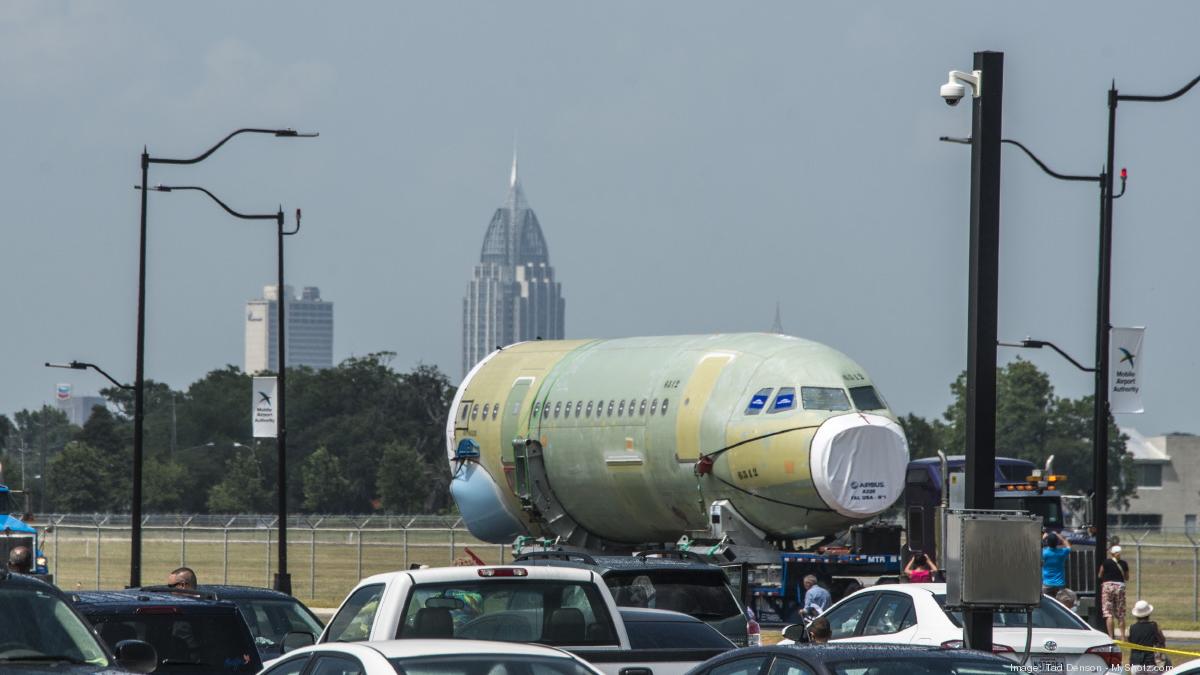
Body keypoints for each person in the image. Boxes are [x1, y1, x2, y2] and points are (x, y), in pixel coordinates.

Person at [1097, 545, 1130, 640]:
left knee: (1108, 613)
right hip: (1119, 586)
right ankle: (1123, 637)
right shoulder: (1124, 563)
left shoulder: (1106, 562)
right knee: (1120, 614)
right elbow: (1127, 577)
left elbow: (1100, 574)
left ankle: (1111, 636)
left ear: (1111, 553)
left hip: (1108, 586)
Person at [1127, 600, 1166, 673]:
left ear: (1136, 615)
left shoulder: (1131, 628)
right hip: (1151, 663)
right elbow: (1162, 640)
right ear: (1148, 614)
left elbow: (1129, 641)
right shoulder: (1154, 626)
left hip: (1135, 663)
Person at [1041, 530, 1072, 596]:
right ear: (1057, 542)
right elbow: (1068, 546)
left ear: (1047, 541)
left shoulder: (1044, 553)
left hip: (1047, 584)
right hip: (1060, 584)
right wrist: (1058, 535)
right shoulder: (1062, 552)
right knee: (1059, 603)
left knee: (1046, 604)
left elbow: (1035, 547)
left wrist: (1043, 538)